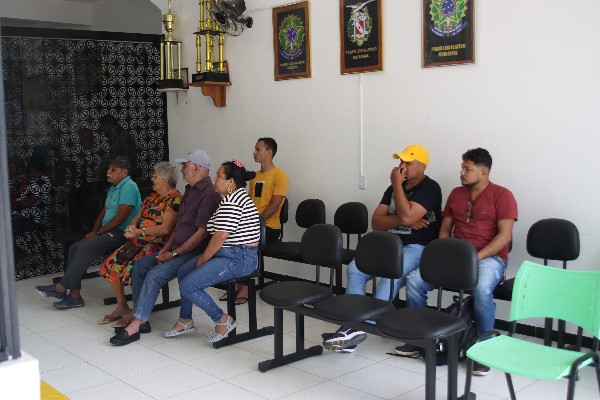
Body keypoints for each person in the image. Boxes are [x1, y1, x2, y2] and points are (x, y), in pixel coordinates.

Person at [404, 147, 518, 376]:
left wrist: (475, 258)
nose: (462, 173)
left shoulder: (502, 195)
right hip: (455, 257)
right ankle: (421, 339)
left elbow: (505, 236)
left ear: (483, 172)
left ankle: (484, 349)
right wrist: (445, 253)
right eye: (462, 168)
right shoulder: (456, 194)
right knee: (414, 281)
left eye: (467, 169)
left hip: (490, 259)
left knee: (481, 288)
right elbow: (445, 229)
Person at [321, 145, 442, 352]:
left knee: (388, 279)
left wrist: (397, 190)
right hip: (389, 245)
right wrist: (403, 219)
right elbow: (377, 222)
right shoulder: (393, 188)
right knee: (355, 268)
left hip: (417, 247)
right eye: (401, 161)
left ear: (422, 166)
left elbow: (406, 216)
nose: (402, 166)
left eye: (408, 162)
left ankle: (357, 329)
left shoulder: (430, 188)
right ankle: (353, 324)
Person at [108, 149, 220, 343]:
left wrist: (174, 253)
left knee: (154, 275)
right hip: (176, 249)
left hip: (192, 252)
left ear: (196, 167)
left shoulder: (209, 194)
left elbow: (201, 234)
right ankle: (141, 317)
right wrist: (166, 249)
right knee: (140, 266)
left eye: (185, 165)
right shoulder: (190, 190)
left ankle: (136, 324)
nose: (182, 170)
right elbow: (179, 227)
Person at [35, 156, 141, 309]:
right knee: (74, 247)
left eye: (113, 169)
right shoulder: (114, 188)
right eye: (108, 168)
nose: (108, 172)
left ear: (124, 172)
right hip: (107, 232)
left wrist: (99, 233)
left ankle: (60, 287)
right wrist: (95, 231)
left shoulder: (129, 187)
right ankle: (75, 296)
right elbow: (103, 213)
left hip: (122, 234)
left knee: (84, 247)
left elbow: (121, 217)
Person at [175, 160, 260, 343]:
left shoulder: (233, 202)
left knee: (188, 285)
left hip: (238, 258)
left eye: (219, 176)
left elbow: (220, 236)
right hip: (228, 253)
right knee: (183, 272)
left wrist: (203, 260)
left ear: (231, 182)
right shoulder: (232, 198)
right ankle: (185, 319)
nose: (215, 179)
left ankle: (222, 320)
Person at [97, 162, 181, 325]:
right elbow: (138, 215)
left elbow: (165, 229)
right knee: (111, 264)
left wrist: (139, 232)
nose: (152, 179)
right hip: (138, 240)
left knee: (132, 269)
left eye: (155, 176)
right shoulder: (152, 197)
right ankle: (122, 306)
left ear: (165, 180)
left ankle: (138, 311)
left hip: (157, 244)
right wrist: (131, 227)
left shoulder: (175, 199)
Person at [219, 137, 288, 304]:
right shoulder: (255, 176)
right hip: (253, 224)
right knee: (230, 239)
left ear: (269, 152)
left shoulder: (280, 176)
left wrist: (255, 222)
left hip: (268, 227)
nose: (254, 152)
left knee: (245, 241)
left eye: (258, 149)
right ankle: (236, 282)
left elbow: (275, 205)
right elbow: (248, 202)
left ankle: (245, 286)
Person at [11, 154, 52, 234]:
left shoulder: (40, 182)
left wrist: (18, 200)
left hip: (32, 219)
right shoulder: (35, 180)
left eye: (32, 169)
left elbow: (26, 201)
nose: (31, 172)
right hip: (31, 218)